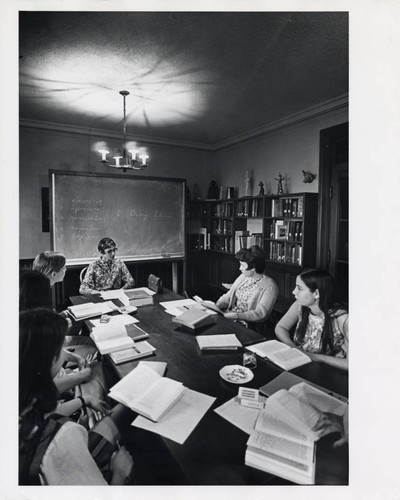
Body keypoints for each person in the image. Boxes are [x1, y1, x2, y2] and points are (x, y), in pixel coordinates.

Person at [19, 308, 134, 485]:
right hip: (69, 459)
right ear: (49, 360)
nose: (66, 353)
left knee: (123, 410)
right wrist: (119, 472)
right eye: (61, 349)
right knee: (128, 409)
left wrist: (83, 400)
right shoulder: (64, 437)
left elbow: (45, 413)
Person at [275, 268, 348, 370]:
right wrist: (293, 347)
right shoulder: (300, 305)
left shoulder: (342, 319)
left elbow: (351, 364)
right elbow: (280, 327)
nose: (293, 292)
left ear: (316, 293)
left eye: (299, 288)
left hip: (328, 373)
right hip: (300, 364)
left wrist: (316, 357)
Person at [215, 246, 278, 328]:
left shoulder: (270, 287)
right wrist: (216, 306)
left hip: (246, 324)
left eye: (242, 265)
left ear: (253, 267)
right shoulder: (243, 277)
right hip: (228, 316)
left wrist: (237, 316)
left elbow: (261, 314)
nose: (240, 268)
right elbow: (228, 297)